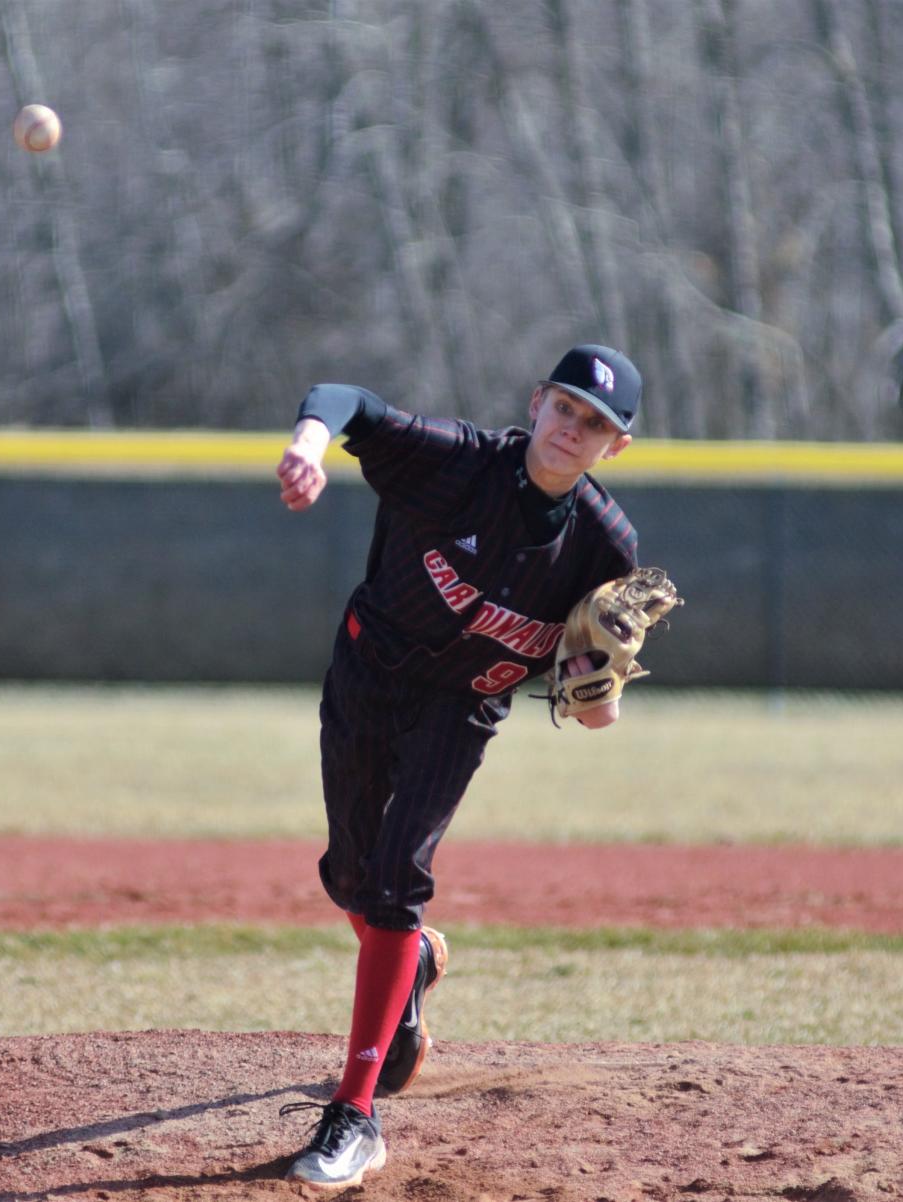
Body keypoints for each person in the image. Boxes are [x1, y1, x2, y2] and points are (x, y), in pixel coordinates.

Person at [274, 344, 641, 1189]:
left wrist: (596, 696)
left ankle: (356, 1114)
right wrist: (308, 444)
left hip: (462, 707)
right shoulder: (455, 463)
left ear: (613, 447)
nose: (573, 430)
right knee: (350, 878)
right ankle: (413, 967)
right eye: (567, 408)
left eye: (596, 425)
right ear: (539, 400)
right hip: (369, 673)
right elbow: (345, 396)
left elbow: (592, 696)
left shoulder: (605, 547)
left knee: (398, 877)